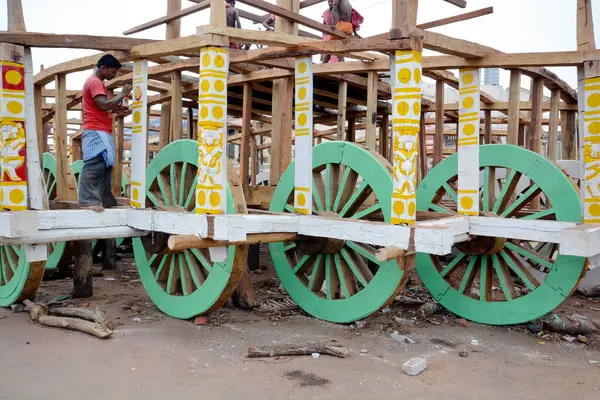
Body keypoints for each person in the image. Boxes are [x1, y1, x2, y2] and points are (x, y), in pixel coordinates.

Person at [79, 54, 131, 213]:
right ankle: (87, 201)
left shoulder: (97, 83)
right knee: (95, 164)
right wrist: (122, 94)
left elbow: (104, 106)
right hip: (95, 130)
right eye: (113, 72)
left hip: (100, 130)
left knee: (105, 166)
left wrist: (116, 108)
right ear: (103, 68)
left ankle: (105, 200)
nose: (114, 76)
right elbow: (102, 105)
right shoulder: (95, 82)